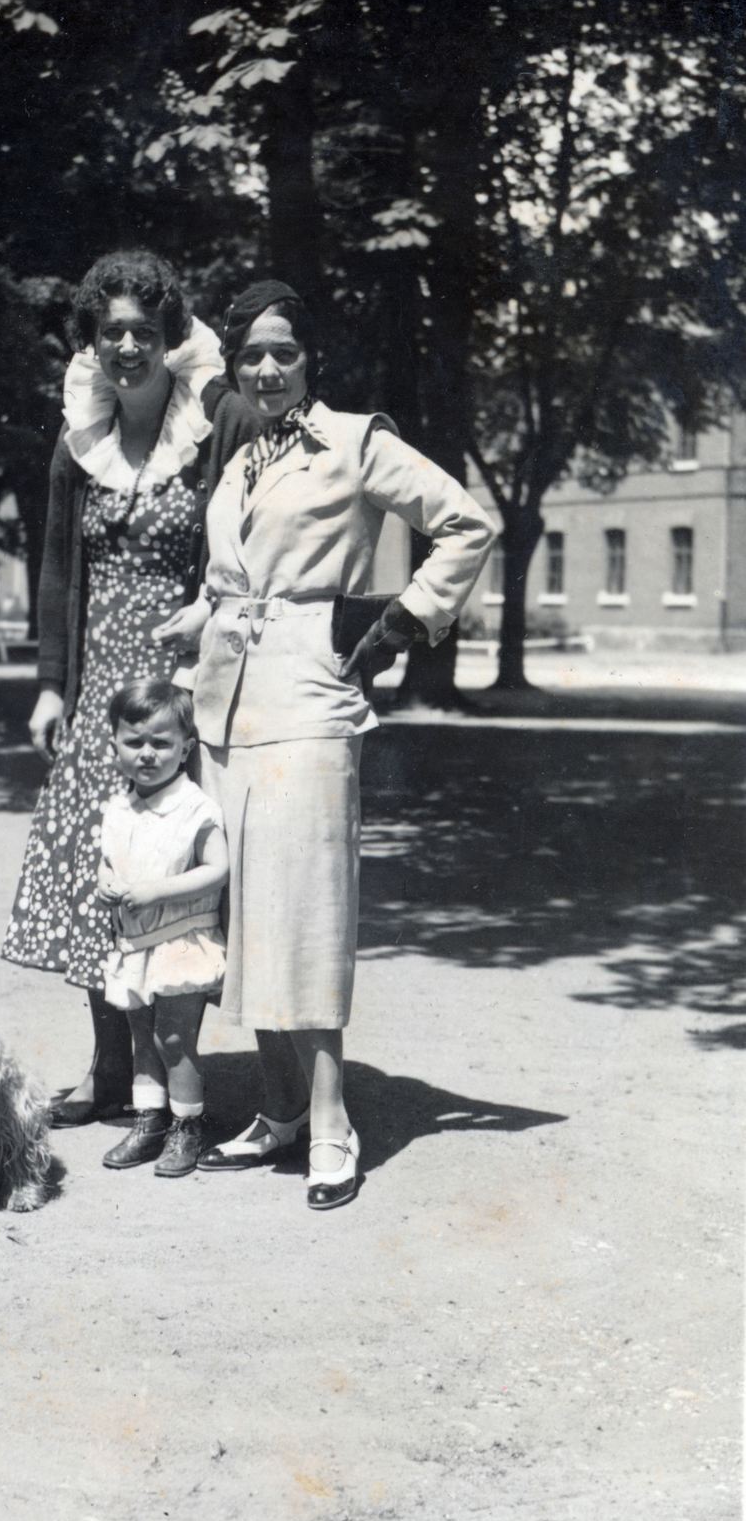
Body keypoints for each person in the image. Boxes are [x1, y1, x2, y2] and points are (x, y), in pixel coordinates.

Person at [153, 280, 497, 1210]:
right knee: (245, 914)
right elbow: (232, 582)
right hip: (225, 708)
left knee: (304, 911)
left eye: (285, 352)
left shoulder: (354, 441)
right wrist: (186, 624)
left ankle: (332, 1121)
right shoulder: (236, 464)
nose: (267, 369)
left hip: (311, 697)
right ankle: (277, 1110)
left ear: (311, 359)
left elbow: (467, 522)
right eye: (251, 354)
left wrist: (402, 622)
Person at [1, 251, 256, 1126]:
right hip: (97, 688)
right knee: (97, 877)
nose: (126, 346)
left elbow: (241, 548)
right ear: (92, 341)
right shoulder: (79, 439)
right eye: (109, 332)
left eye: (142, 331)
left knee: (170, 874)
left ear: (170, 336)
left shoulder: (214, 423)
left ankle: (171, 1073)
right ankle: (111, 1067)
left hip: (179, 686)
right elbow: (55, 568)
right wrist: (48, 687)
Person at [96, 679, 229, 1177]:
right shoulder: (119, 806)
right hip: (135, 943)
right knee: (141, 1035)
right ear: (115, 746)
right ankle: (149, 1119)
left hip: (180, 937)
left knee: (173, 1039)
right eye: (135, 743)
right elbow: (108, 860)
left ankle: (187, 1126)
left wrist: (157, 890)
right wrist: (107, 881)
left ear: (186, 748)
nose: (147, 755)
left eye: (162, 743)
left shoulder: (194, 807)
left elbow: (217, 868)